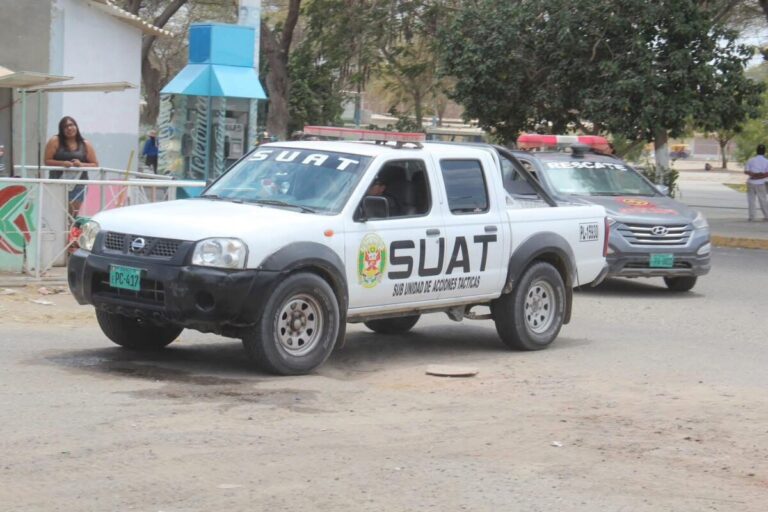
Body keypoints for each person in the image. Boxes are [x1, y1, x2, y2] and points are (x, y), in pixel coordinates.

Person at [44, 116, 99, 217]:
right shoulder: (55, 140)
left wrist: (81, 165)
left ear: (76, 127)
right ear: (61, 130)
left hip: (78, 184)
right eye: (65, 127)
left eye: (71, 125)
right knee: (57, 214)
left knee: (71, 215)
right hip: (58, 182)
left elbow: (95, 164)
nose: (69, 128)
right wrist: (62, 163)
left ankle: (69, 233)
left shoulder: (85, 144)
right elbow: (47, 161)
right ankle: (60, 233)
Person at [743, 144, 768, 222]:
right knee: (763, 200)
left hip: (751, 182)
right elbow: (767, 173)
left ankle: (752, 216)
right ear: (764, 151)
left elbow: (746, 171)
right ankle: (766, 215)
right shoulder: (766, 161)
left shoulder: (751, 160)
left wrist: (753, 175)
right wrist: (759, 176)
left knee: (751, 200)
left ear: (756, 151)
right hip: (761, 183)